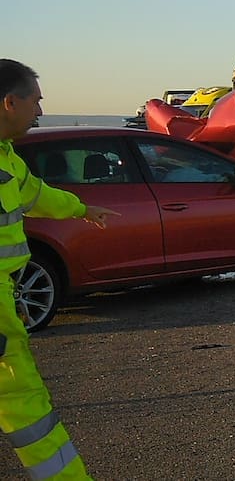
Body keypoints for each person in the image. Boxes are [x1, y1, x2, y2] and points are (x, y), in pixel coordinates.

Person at [0, 58, 118, 480]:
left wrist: (82, 209)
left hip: (6, 294)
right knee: (26, 407)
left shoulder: (7, 158)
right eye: (36, 101)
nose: (40, 111)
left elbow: (36, 195)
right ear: (9, 103)